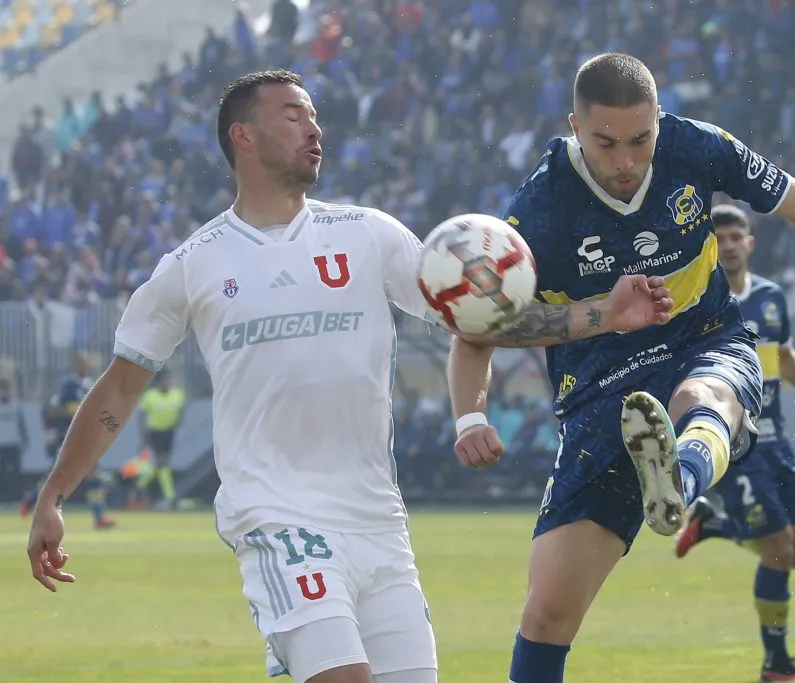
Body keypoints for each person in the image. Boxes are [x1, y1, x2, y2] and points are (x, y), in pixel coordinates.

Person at [25, 69, 673, 683]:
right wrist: (54, 494)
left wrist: (601, 314)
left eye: (315, 116)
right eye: (294, 116)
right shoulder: (193, 265)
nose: (315, 130)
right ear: (242, 136)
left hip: (377, 523)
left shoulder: (369, 235)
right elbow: (119, 388)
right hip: (276, 517)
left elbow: (479, 321)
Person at [446, 52, 795, 683]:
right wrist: (471, 415)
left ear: (660, 119)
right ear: (574, 127)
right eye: (605, 143)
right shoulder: (540, 210)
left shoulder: (698, 148)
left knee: (704, 394)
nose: (626, 161)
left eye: (641, 139)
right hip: (598, 396)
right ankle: (672, 474)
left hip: (704, 339)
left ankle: (677, 484)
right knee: (548, 614)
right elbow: (475, 327)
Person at [672, 205, 795, 682]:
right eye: (718, 238)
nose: (727, 245)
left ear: (749, 242)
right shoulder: (698, 299)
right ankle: (776, 665)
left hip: (778, 441)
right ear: (709, 245)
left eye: (734, 237)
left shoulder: (769, 297)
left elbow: (782, 355)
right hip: (736, 447)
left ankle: (714, 524)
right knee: (779, 551)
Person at [21, 353, 115, 529]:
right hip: (68, 436)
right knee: (58, 475)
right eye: (81, 362)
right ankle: (33, 497)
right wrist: (77, 412)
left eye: (86, 362)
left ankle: (99, 516)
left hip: (85, 436)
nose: (84, 365)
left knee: (93, 474)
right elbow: (57, 409)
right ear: (76, 364)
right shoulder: (69, 385)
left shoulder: (87, 384)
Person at [132, 369, 187, 509]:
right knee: (163, 462)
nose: (166, 383)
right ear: (158, 382)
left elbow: (181, 410)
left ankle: (139, 486)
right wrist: (143, 434)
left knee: (160, 464)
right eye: (164, 380)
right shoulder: (150, 396)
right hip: (154, 432)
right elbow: (142, 416)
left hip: (169, 431)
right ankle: (170, 497)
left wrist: (179, 420)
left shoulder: (177, 395)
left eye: (168, 380)